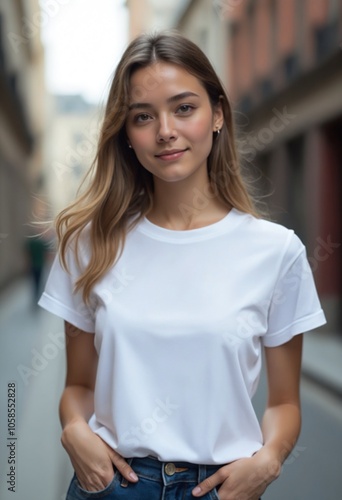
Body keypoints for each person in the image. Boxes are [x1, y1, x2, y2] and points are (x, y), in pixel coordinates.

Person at [38, 31, 326, 500]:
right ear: (126, 134)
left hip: (222, 488)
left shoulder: (276, 252)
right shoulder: (91, 245)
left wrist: (269, 460)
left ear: (217, 115)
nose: (165, 130)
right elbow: (78, 384)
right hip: (114, 485)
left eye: (184, 108)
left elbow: (284, 402)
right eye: (143, 116)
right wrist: (73, 427)